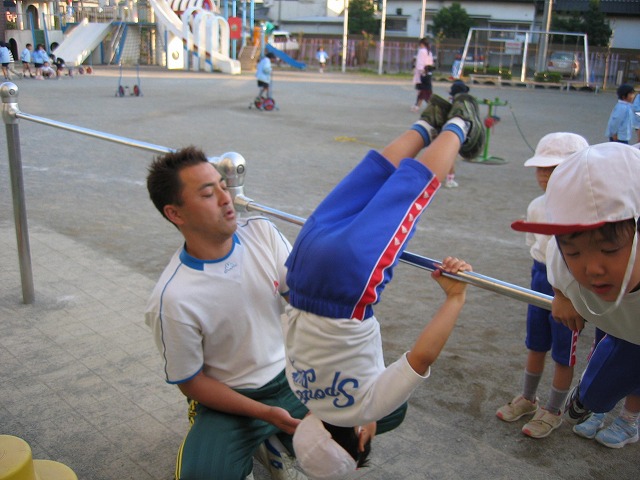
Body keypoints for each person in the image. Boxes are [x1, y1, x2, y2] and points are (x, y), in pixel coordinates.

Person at [284, 92, 485, 478]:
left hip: (346, 286)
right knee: (369, 180)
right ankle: (428, 123)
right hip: (301, 267)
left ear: (361, 439)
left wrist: (454, 299)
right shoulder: (299, 388)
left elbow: (419, 359)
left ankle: (460, 125)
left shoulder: (366, 410)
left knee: (410, 191)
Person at [145, 146, 309, 480]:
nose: (226, 199)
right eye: (209, 193)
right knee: (202, 475)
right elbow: (191, 382)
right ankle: (266, 435)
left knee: (385, 409)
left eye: (223, 186)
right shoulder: (173, 297)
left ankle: (273, 441)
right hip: (231, 401)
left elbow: (303, 303)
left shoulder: (262, 233)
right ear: (176, 214)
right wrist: (265, 413)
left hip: (291, 377)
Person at [511, 142, 640, 450]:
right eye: (574, 251)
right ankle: (593, 400)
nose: (592, 268)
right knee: (597, 392)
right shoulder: (561, 264)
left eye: (609, 250)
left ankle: (627, 419)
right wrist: (562, 296)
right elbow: (557, 255)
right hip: (621, 327)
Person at [496, 132, 589, 439]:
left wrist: (571, 293)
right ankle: (528, 397)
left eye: (553, 169)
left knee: (564, 352)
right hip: (540, 280)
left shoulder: (586, 210)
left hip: (571, 287)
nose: (544, 176)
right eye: (541, 168)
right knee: (535, 343)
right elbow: (536, 247)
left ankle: (554, 409)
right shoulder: (537, 205)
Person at [444, 80, 471, 188]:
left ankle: (448, 177)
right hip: (454, 132)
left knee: (447, 155)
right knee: (451, 156)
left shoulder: (451, 102)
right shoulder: (461, 105)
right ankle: (450, 179)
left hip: (445, 130)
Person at [410, 37, 434, 112]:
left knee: (423, 90)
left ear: (421, 44)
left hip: (422, 73)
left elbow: (420, 62)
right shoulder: (429, 52)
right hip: (428, 72)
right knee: (426, 90)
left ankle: (418, 106)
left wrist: (420, 70)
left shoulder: (421, 51)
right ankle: (417, 105)